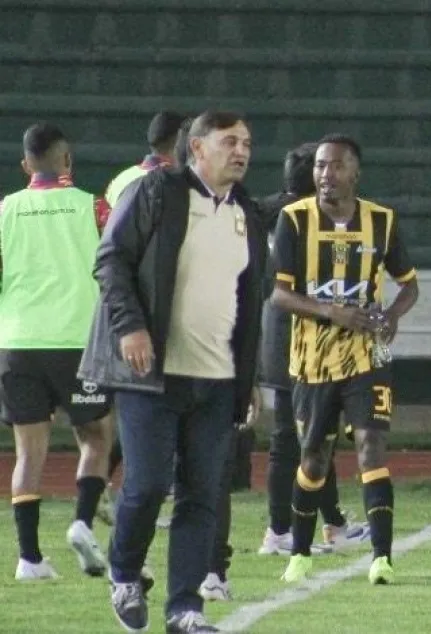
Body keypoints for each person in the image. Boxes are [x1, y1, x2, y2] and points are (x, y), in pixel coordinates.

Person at [78, 110, 267, 634]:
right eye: (230, 141)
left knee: (203, 493)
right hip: (150, 374)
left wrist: (247, 375)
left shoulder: (245, 214)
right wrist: (130, 328)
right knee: (148, 483)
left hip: (217, 378)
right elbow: (111, 261)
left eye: (247, 142)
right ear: (197, 148)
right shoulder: (155, 192)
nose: (242, 150)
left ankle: (185, 607)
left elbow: (248, 301)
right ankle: (124, 573)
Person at [198, 143, 371, 603]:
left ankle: (325, 523)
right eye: (322, 167)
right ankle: (283, 528)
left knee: (306, 434)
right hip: (297, 335)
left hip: (270, 334)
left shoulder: (261, 212)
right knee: (298, 436)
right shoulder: (303, 218)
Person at [270, 134, 419, 585]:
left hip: (366, 356)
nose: (325, 175)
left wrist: (391, 314)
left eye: (335, 167)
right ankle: (299, 551)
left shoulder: (382, 222)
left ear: (355, 173)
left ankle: (382, 558)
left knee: (371, 445)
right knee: (314, 457)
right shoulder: (293, 221)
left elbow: (409, 283)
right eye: (319, 166)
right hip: (312, 360)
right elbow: (278, 294)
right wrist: (332, 311)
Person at [0, 123, 114, 581]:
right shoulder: (93, 208)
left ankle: (28, 559)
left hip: (17, 342)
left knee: (28, 453)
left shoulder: (5, 209)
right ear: (68, 161)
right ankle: (83, 522)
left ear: (26, 165)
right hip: (76, 341)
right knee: (97, 437)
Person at [98, 110, 187, 527]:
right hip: (146, 314)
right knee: (150, 414)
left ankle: (110, 488)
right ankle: (138, 493)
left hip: (124, 310)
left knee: (136, 417)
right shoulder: (164, 186)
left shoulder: (121, 180)